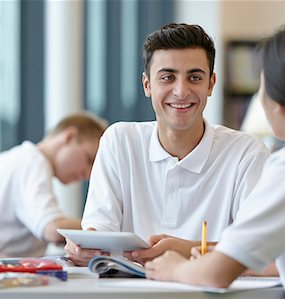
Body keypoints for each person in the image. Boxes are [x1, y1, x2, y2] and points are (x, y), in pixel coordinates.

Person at [145, 22, 285, 299]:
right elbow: (274, 256)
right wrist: (217, 254)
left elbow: (214, 276)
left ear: (278, 100)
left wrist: (175, 268)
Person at [65, 23, 270, 266]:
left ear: (211, 84)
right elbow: (99, 233)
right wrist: (84, 247)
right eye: (167, 77)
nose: (181, 91)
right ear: (147, 85)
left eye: (194, 77)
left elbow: (263, 247)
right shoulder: (119, 141)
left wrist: (185, 249)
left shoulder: (246, 153)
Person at [0, 112, 108, 258]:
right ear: (69, 136)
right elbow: (53, 229)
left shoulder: (9, 159)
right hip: (1, 271)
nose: (89, 175)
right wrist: (101, 228)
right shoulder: (33, 162)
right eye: (89, 160)